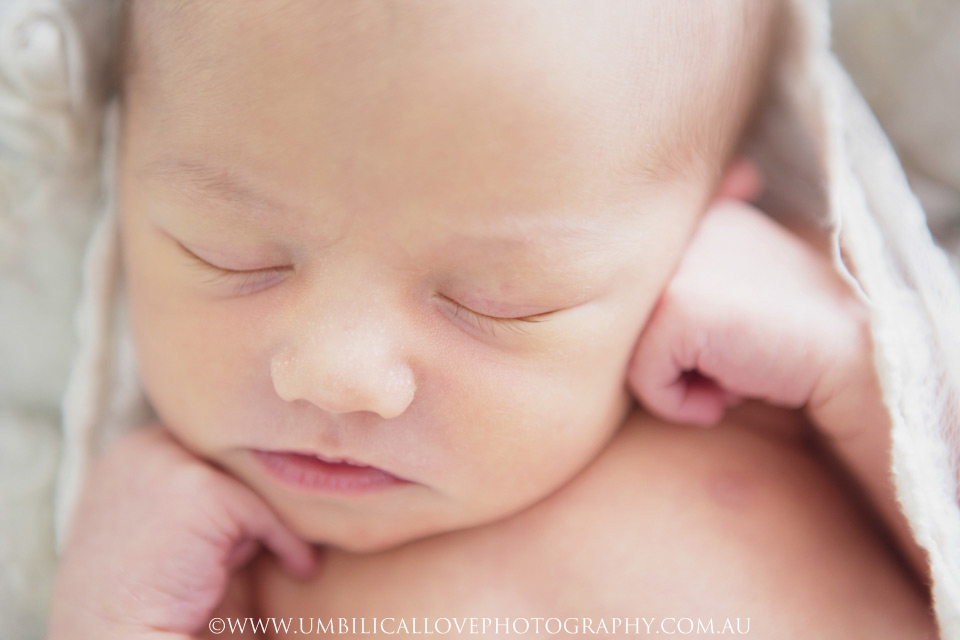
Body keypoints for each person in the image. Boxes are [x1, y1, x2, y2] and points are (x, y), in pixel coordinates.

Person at [46, 1, 940, 637]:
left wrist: (862, 373)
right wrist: (106, 614)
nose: (337, 375)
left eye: (494, 299)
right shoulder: (225, 576)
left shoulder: (765, 391)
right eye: (232, 256)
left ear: (696, 233)